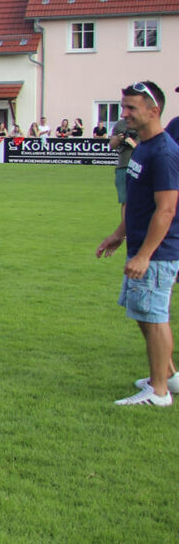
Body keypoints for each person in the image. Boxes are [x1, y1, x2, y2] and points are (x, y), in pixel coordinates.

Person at [94, 81, 178, 406]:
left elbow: (166, 208)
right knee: (144, 313)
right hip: (141, 246)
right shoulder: (143, 146)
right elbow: (139, 203)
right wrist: (120, 233)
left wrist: (145, 254)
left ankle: (158, 392)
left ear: (153, 110)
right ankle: (167, 375)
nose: (124, 113)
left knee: (154, 316)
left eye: (131, 108)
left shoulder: (165, 152)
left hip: (158, 252)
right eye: (123, 106)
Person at [110, 114, 140, 205]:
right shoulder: (120, 124)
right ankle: (125, 220)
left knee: (141, 200)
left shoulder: (144, 123)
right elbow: (112, 145)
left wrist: (133, 144)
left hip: (141, 166)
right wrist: (119, 139)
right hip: (124, 165)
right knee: (125, 201)